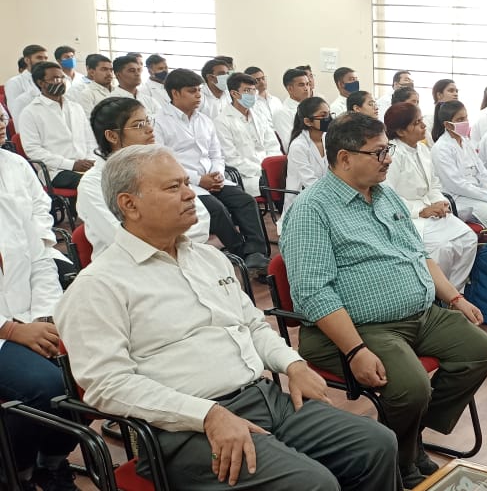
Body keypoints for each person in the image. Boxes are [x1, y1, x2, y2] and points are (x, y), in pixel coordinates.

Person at [57, 145, 401, 490]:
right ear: (129, 205)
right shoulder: (98, 285)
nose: (191, 194)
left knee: (376, 444)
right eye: (173, 187)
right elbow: (108, 385)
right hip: (182, 429)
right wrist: (206, 415)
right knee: (313, 484)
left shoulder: (208, 258)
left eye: (186, 183)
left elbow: (251, 324)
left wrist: (292, 365)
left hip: (263, 397)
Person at [279, 112, 487, 489]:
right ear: (345, 157)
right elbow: (313, 292)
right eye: (379, 152)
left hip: (419, 315)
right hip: (357, 327)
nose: (389, 159)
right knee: (411, 387)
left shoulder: (386, 195)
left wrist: (455, 297)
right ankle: (402, 461)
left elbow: (419, 255)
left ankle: (407, 442)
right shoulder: (312, 209)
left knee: (479, 351)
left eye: (388, 150)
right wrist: (355, 350)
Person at [0, 147, 81, 491]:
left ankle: (50, 462)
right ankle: (12, 472)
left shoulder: (11, 169)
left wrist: (45, 317)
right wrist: (12, 329)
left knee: (93, 367)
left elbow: (38, 260)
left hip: (27, 314)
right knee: (47, 386)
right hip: (4, 330)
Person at [154, 68, 270, 271]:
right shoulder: (160, 123)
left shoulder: (204, 120)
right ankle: (240, 252)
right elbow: (163, 163)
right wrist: (199, 180)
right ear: (175, 93)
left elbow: (217, 154)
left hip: (214, 178)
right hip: (186, 182)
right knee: (217, 210)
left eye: (199, 90)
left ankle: (256, 252)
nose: (199, 95)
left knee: (245, 201)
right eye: (192, 91)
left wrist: (216, 173)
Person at [78, 97, 211, 256]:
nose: (149, 129)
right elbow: (119, 238)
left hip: (183, 254)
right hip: (131, 269)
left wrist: (174, 243)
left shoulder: (165, 166)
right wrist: (173, 239)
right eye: (139, 125)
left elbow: (200, 218)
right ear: (112, 136)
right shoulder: (92, 184)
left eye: (148, 121)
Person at [383, 102, 478, 291]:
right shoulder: (393, 153)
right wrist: (422, 210)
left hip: (431, 208)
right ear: (401, 131)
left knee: (469, 238)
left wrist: (439, 202)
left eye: (422, 120)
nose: (424, 125)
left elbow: (434, 184)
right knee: (442, 248)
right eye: (417, 123)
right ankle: (435, 294)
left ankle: (455, 291)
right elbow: (388, 196)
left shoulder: (422, 149)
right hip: (408, 215)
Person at [431, 100, 487, 231]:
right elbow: (456, 184)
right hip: (461, 199)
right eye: (460, 119)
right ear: (447, 125)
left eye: (466, 117)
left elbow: (482, 172)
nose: (465, 122)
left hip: (480, 193)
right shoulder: (441, 148)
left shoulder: (466, 142)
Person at [18, 61, 97, 190]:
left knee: (117, 177)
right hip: (56, 171)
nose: (60, 81)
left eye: (62, 77)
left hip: (85, 165)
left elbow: (90, 139)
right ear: (41, 83)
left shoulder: (76, 107)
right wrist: (71, 164)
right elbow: (33, 150)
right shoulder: (30, 112)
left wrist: (90, 160)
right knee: (93, 184)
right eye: (55, 78)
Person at [214, 73, 282, 198]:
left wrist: (272, 167)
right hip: (247, 175)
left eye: (253, 90)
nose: (252, 94)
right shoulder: (222, 121)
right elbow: (231, 158)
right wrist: (262, 171)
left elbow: (273, 145)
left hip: (268, 171)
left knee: (293, 181)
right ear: (234, 94)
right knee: (280, 186)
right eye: (247, 91)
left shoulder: (259, 116)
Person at [283, 97, 331, 215]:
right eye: (323, 115)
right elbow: (310, 183)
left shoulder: (327, 139)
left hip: (324, 195)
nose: (329, 119)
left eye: (329, 114)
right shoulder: (298, 146)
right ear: (308, 121)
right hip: (304, 201)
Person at [4, 45, 48, 113]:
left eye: (46, 58)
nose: (43, 61)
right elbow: (15, 111)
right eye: (39, 58)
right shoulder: (14, 82)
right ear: (27, 60)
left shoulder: (48, 80)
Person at [274, 68, 311, 145]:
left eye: (307, 84)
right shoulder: (282, 113)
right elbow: (290, 143)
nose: (306, 88)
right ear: (290, 89)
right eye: (301, 85)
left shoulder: (313, 107)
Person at [244, 66, 284, 137]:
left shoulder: (276, 100)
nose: (262, 82)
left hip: (282, 135)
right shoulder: (250, 104)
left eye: (263, 78)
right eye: (257, 80)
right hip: (265, 139)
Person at [424, 79, 459, 143]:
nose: (456, 94)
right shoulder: (428, 120)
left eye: (456, 91)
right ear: (439, 95)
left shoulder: (458, 118)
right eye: (451, 91)